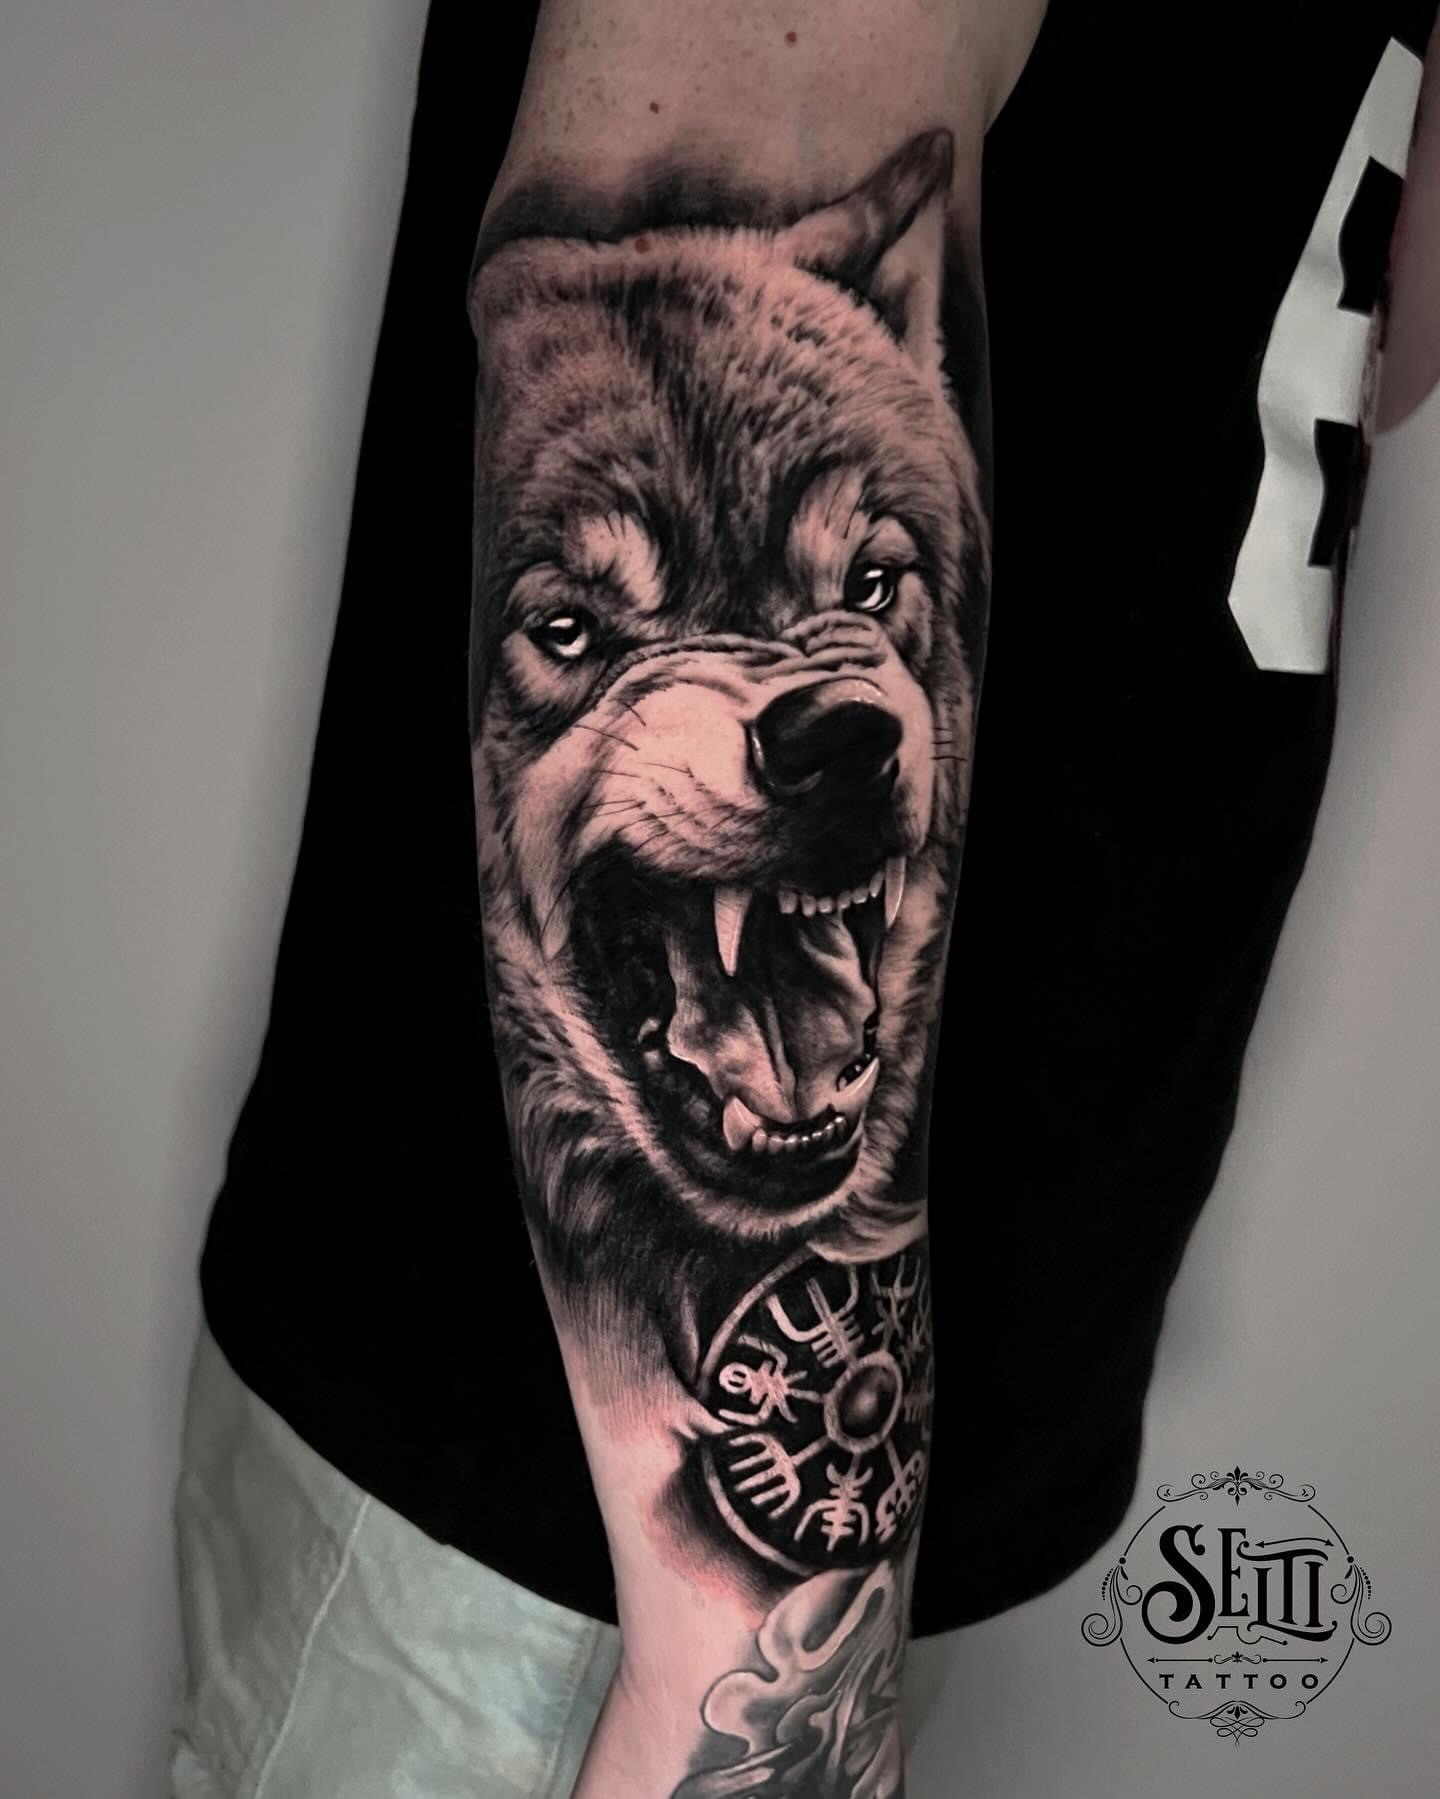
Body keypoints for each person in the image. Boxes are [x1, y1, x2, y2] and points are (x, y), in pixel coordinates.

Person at [172, 2, 1440, 1794]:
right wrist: (757, 1699)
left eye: (864, 590)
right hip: (585, 1550)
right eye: (586, 626)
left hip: (905, 1493)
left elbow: (1333, 320)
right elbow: (754, 116)